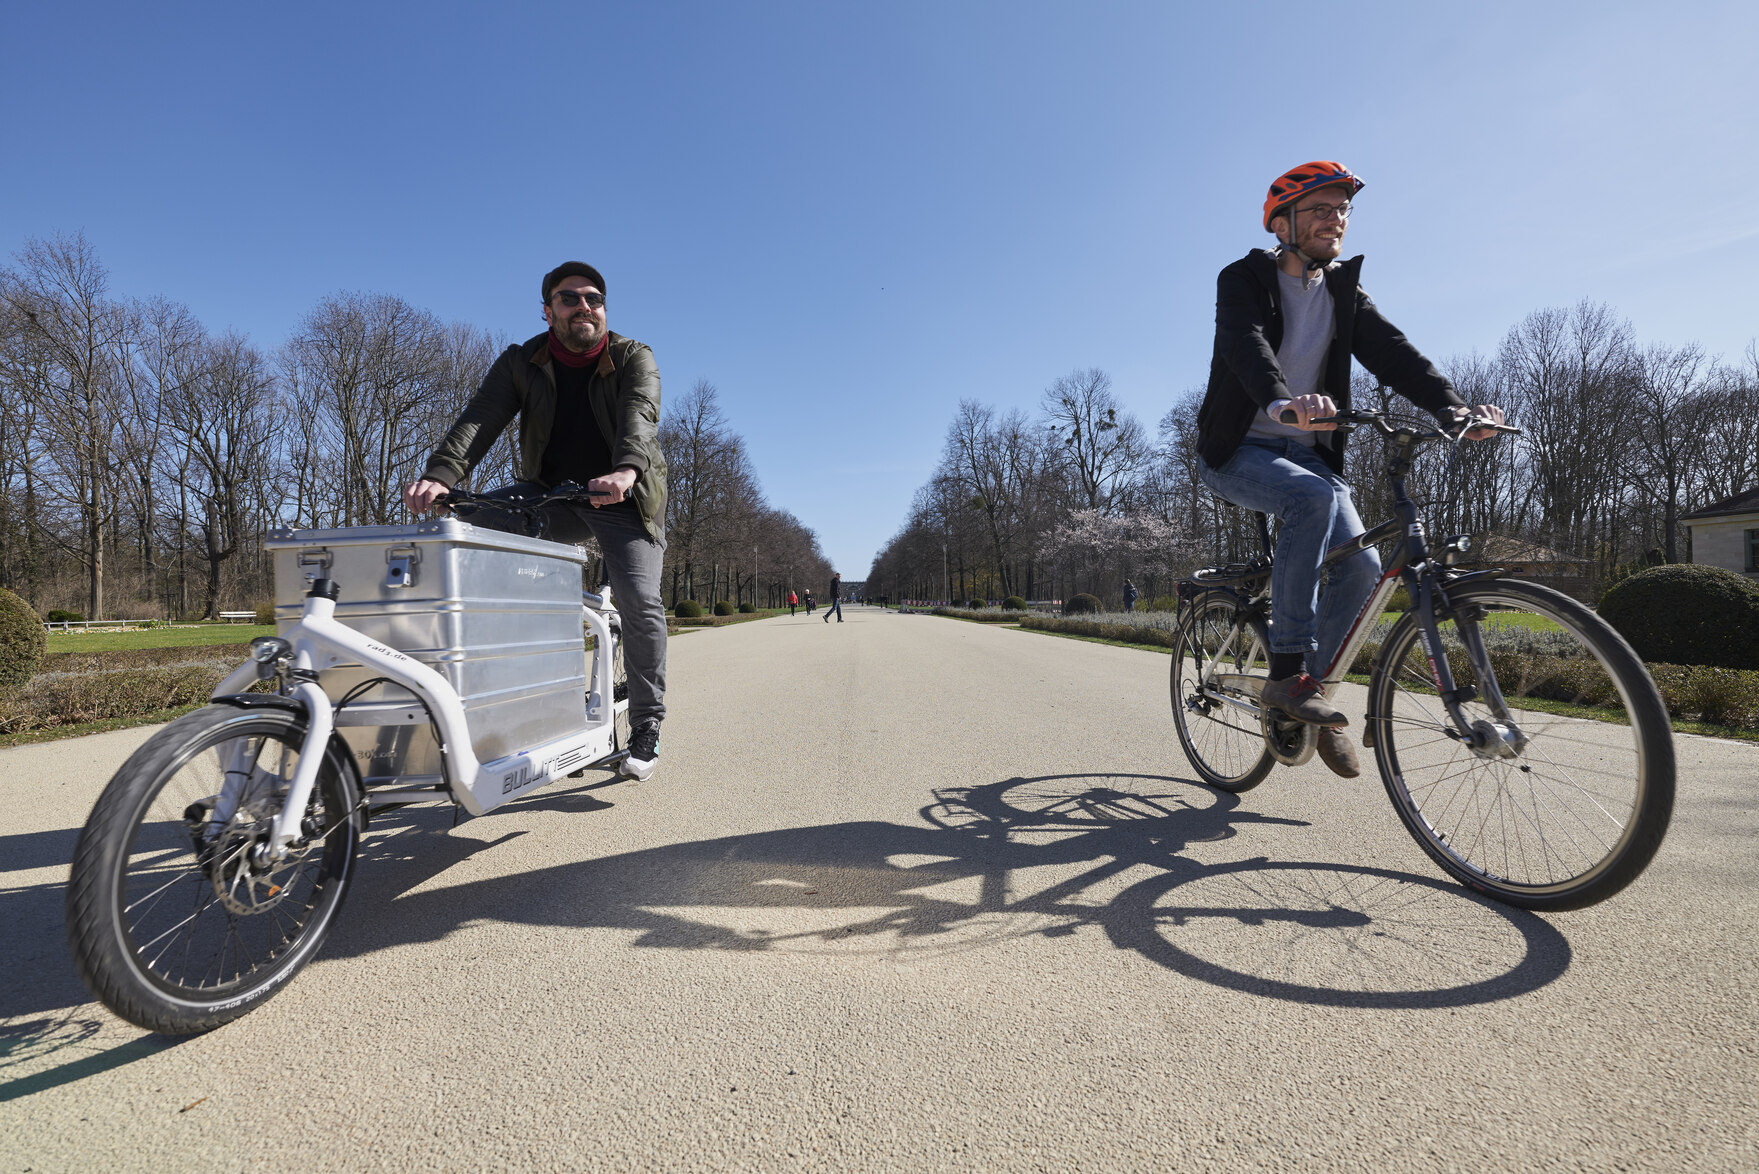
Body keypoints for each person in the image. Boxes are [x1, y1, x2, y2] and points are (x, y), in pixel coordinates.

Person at [1194, 162, 1505, 779]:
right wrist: (1282, 399)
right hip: (1239, 451)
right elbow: (1243, 341)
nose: (1333, 220)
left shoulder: (1342, 293)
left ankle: (1313, 701)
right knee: (1310, 501)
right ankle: (1287, 676)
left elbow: (1395, 353)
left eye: (1341, 210)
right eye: (1318, 210)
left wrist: (1452, 408)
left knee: (1363, 568)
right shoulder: (1245, 278)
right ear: (1281, 223)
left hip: (1308, 455)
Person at [403, 261, 670, 781]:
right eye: (570, 299)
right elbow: (479, 420)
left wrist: (624, 470)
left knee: (640, 600)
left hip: (625, 498)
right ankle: (519, 707)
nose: (584, 306)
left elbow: (641, 415)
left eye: (594, 298)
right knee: (468, 527)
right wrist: (440, 475)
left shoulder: (632, 356)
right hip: (552, 496)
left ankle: (647, 723)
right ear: (548, 311)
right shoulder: (521, 362)